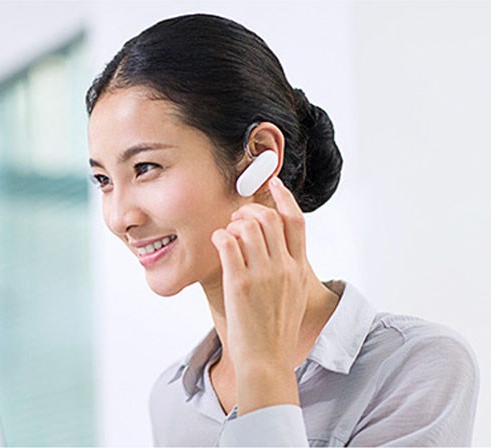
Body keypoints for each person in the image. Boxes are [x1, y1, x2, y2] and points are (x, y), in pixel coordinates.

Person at [85, 13, 479, 447]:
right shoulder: (172, 399)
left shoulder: (417, 368)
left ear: (259, 154)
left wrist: (264, 369)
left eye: (145, 167)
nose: (119, 217)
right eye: (103, 180)